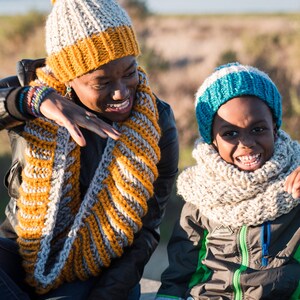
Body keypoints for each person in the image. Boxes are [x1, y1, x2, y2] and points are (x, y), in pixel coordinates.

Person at [0, 0, 179, 299]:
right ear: (69, 78)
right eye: (102, 82)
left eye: (130, 71)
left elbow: (146, 231)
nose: (122, 91)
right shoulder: (32, 93)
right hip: (24, 250)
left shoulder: (157, 122)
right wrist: (33, 103)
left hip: (102, 268)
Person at [155, 62, 300, 300]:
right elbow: (181, 272)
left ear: (275, 128)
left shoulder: (295, 185)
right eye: (230, 133)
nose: (246, 143)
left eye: (258, 129)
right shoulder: (201, 195)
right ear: (212, 140)